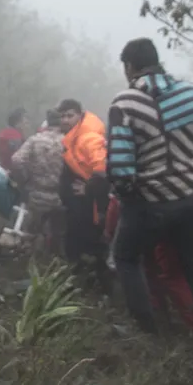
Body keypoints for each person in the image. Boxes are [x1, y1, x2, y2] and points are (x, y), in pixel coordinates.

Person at [106, 38, 193, 349]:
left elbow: (121, 167)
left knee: (125, 257)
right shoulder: (190, 95)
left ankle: (147, 334)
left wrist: (129, 196)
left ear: (130, 67)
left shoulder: (125, 103)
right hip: (191, 199)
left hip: (149, 203)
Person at [102, 165, 193, 333]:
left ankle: (192, 330)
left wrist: (112, 229)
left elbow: (123, 193)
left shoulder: (162, 151)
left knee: (173, 275)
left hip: (173, 218)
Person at [56, 98, 110, 285]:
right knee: (77, 239)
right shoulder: (73, 138)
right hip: (77, 203)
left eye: (70, 115)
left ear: (80, 115)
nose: (65, 120)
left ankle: (99, 285)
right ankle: (82, 278)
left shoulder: (88, 137)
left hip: (89, 204)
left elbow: (102, 169)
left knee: (91, 242)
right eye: (62, 116)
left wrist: (89, 188)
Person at [8, 109, 68, 253]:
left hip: (36, 193)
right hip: (60, 196)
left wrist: (24, 180)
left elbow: (17, 160)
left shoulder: (35, 140)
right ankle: (56, 267)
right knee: (58, 235)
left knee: (32, 233)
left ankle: (31, 265)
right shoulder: (68, 141)